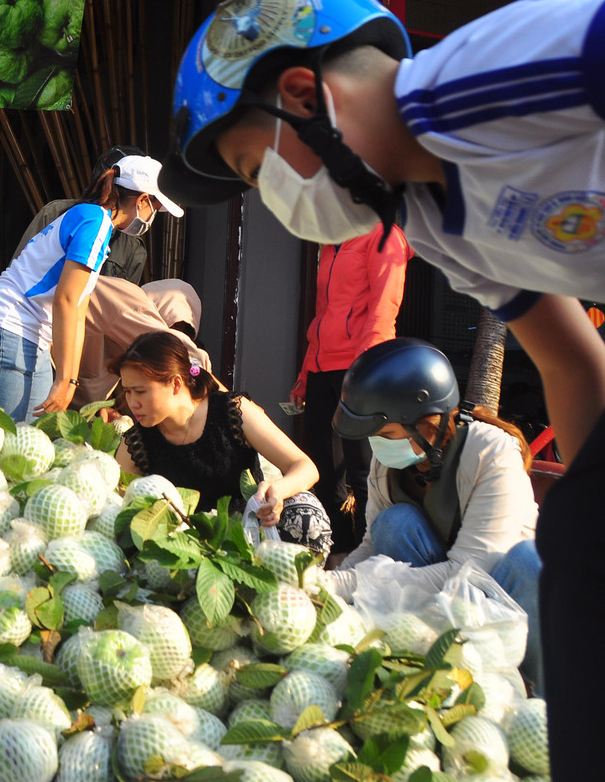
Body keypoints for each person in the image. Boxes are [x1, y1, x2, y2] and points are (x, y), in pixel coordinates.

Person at [164, 0, 605, 772]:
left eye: (255, 169)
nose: (267, 201)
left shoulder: (485, 79)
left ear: (301, 94)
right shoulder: (432, 219)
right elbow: (570, 360)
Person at [326, 338, 542, 692]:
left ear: (428, 426)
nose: (376, 446)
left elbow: (469, 572)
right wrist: (329, 590)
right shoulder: (389, 463)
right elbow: (371, 546)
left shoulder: (491, 452)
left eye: (385, 434)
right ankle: (439, 667)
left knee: (528, 561)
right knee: (393, 527)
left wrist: (350, 583)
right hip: (444, 604)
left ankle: (556, 698)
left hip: (503, 595)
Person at [0, 154, 182, 421]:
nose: (152, 219)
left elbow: (78, 308)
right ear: (142, 200)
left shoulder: (92, 218)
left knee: (33, 441)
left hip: (21, 334)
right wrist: (66, 381)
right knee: (11, 441)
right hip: (9, 330)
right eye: (154, 209)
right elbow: (67, 300)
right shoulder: (95, 222)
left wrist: (68, 377)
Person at [113, 332, 331, 551]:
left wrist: (277, 491)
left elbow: (305, 467)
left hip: (249, 537)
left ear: (176, 384)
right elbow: (116, 507)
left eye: (140, 392)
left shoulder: (232, 411)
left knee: (305, 513)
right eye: (127, 392)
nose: (132, 403)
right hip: (183, 553)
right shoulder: (137, 442)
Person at [290, 225, 413, 555]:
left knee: (361, 470)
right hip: (321, 367)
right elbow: (322, 313)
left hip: (357, 367)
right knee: (322, 468)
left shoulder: (384, 236)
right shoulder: (330, 241)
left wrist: (365, 368)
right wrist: (305, 372)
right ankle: (337, 552)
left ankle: (369, 554)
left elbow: (384, 306)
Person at [13, 146, 156, 285]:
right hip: (31, 304)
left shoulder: (133, 247)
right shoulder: (61, 213)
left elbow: (122, 303)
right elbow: (20, 269)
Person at [75, 276, 208, 412]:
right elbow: (193, 359)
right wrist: (222, 402)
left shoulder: (134, 358)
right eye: (173, 329)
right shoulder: (132, 308)